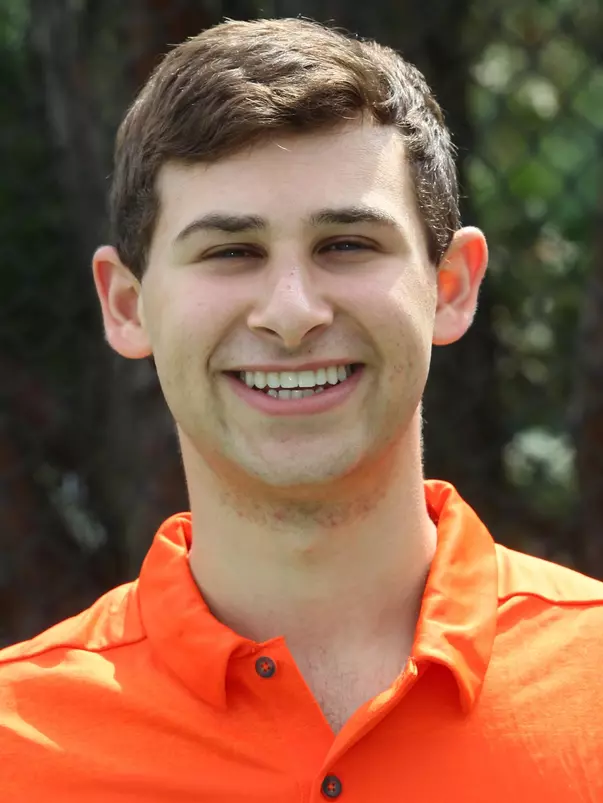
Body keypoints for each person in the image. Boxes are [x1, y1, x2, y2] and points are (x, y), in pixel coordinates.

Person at [1, 16, 602, 802]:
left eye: (346, 244)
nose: (291, 312)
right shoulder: (18, 746)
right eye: (230, 252)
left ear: (450, 287)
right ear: (126, 305)